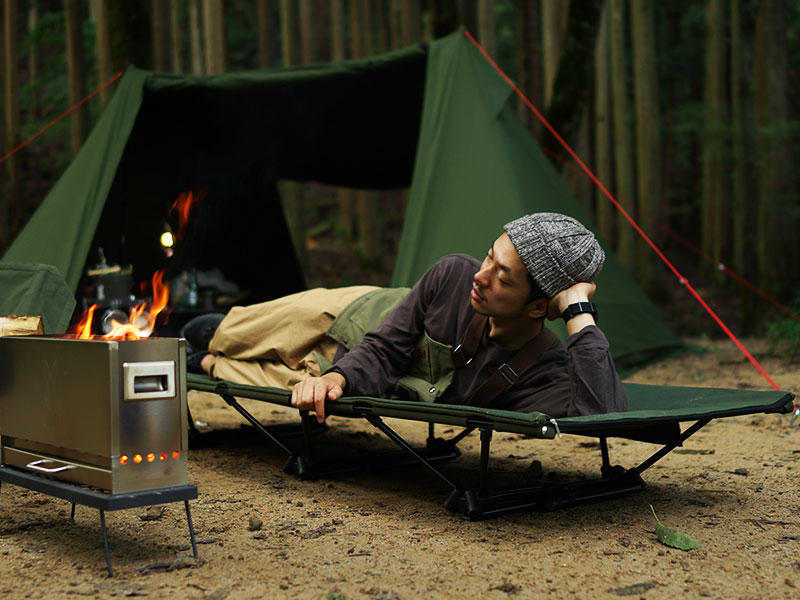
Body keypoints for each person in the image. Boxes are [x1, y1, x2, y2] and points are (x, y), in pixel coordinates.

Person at [185, 213, 627, 423]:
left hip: (359, 370)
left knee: (281, 383)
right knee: (210, 331)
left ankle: (202, 363)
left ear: (537, 307)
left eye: (501, 276)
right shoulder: (454, 274)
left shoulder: (543, 372)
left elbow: (602, 414)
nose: (481, 274)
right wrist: (343, 378)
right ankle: (209, 346)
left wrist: (577, 309)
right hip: (353, 315)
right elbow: (384, 346)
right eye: (489, 257)